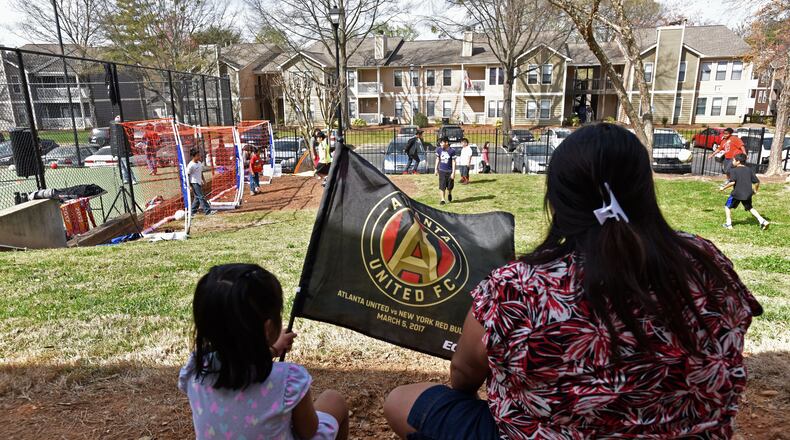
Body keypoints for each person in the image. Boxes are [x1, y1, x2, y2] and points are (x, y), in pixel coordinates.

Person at [384, 123, 762, 439]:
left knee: (400, 401)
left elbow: (464, 374)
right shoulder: (706, 261)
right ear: (644, 190)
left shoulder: (518, 287)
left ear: (559, 200)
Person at [179, 264, 349, 440]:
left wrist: (273, 350)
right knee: (333, 400)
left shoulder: (195, 371)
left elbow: (236, 361)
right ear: (268, 329)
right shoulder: (289, 380)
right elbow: (309, 432)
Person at [720, 153, 769, 230]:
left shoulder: (734, 170)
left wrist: (723, 188)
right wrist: (755, 190)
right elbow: (757, 182)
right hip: (747, 193)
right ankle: (762, 221)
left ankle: (728, 224)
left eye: (733, 160)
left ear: (738, 161)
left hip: (737, 194)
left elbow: (733, 182)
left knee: (727, 206)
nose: (732, 161)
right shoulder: (749, 170)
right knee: (750, 208)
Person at [186, 148, 214, 216]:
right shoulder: (190, 165)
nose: (199, 157)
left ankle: (192, 212)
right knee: (201, 197)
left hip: (198, 182)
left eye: (199, 155)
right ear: (193, 156)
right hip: (194, 183)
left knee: (197, 197)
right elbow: (187, 175)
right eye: (197, 155)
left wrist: (203, 180)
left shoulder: (199, 163)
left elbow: (200, 172)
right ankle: (208, 211)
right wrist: (189, 185)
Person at [434, 137, 456, 205]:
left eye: (442, 143)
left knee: (449, 187)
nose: (441, 144)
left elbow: (454, 161)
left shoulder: (452, 151)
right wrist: (436, 169)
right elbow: (437, 159)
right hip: (442, 171)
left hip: (449, 171)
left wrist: (453, 172)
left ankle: (449, 193)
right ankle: (442, 199)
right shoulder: (439, 150)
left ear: (446, 143)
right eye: (440, 143)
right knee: (442, 186)